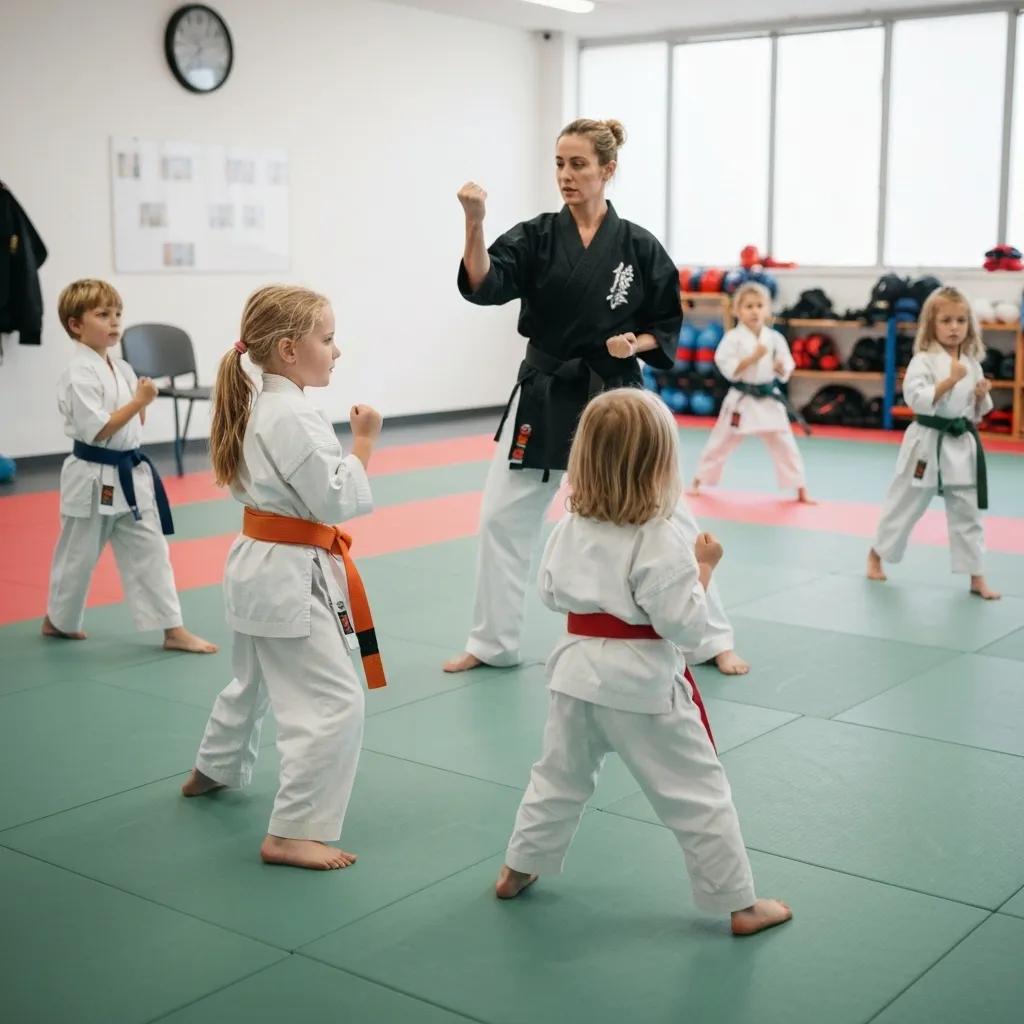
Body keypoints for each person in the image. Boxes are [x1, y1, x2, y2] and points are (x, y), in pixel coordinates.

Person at [444, 117, 749, 677]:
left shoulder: (638, 246)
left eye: (578, 164)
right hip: (545, 388)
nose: (566, 174)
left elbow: (667, 325)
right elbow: (485, 284)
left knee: (666, 515)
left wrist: (637, 340)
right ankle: (492, 642)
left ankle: (711, 637)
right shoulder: (535, 236)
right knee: (499, 518)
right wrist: (474, 222)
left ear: (608, 170)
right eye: (559, 163)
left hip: (615, 396)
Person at [494, 389, 792, 937]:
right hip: (643, 686)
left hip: (574, 676)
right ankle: (740, 904)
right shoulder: (662, 537)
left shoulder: (568, 528)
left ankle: (517, 867)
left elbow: (550, 595)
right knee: (698, 794)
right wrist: (703, 569)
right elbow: (686, 626)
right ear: (661, 465)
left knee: (557, 779)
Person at [182, 284, 387, 870]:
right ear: (289, 350)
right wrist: (365, 445)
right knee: (334, 702)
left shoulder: (263, 404)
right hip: (285, 575)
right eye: (327, 339)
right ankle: (293, 830)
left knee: (251, 683)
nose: (336, 351)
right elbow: (336, 497)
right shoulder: (293, 415)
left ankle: (211, 769)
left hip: (257, 564)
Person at [42, 278, 216, 653]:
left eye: (118, 313)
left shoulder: (120, 367)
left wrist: (138, 403)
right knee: (78, 555)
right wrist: (140, 402)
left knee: (152, 551)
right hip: (90, 477)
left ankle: (173, 629)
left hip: (130, 475)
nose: (115, 322)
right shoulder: (78, 374)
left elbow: (128, 424)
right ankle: (59, 620)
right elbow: (100, 429)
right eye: (103, 315)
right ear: (76, 324)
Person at [868, 286, 998, 599]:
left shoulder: (971, 362)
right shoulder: (923, 361)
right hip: (926, 442)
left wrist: (980, 396)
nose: (955, 327)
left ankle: (976, 575)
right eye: (946, 320)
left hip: (959, 441)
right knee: (905, 503)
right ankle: (876, 554)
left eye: (961, 320)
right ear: (931, 325)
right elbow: (916, 399)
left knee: (968, 512)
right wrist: (950, 381)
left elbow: (976, 414)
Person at [689, 281, 812, 503]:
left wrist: (780, 367)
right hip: (741, 399)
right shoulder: (732, 338)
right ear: (737, 311)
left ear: (767, 309)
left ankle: (800, 488)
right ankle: (699, 480)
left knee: (785, 444)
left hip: (768, 398)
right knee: (720, 441)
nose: (755, 311)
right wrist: (751, 358)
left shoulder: (774, 338)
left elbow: (787, 363)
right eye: (748, 306)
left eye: (759, 305)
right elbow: (725, 364)